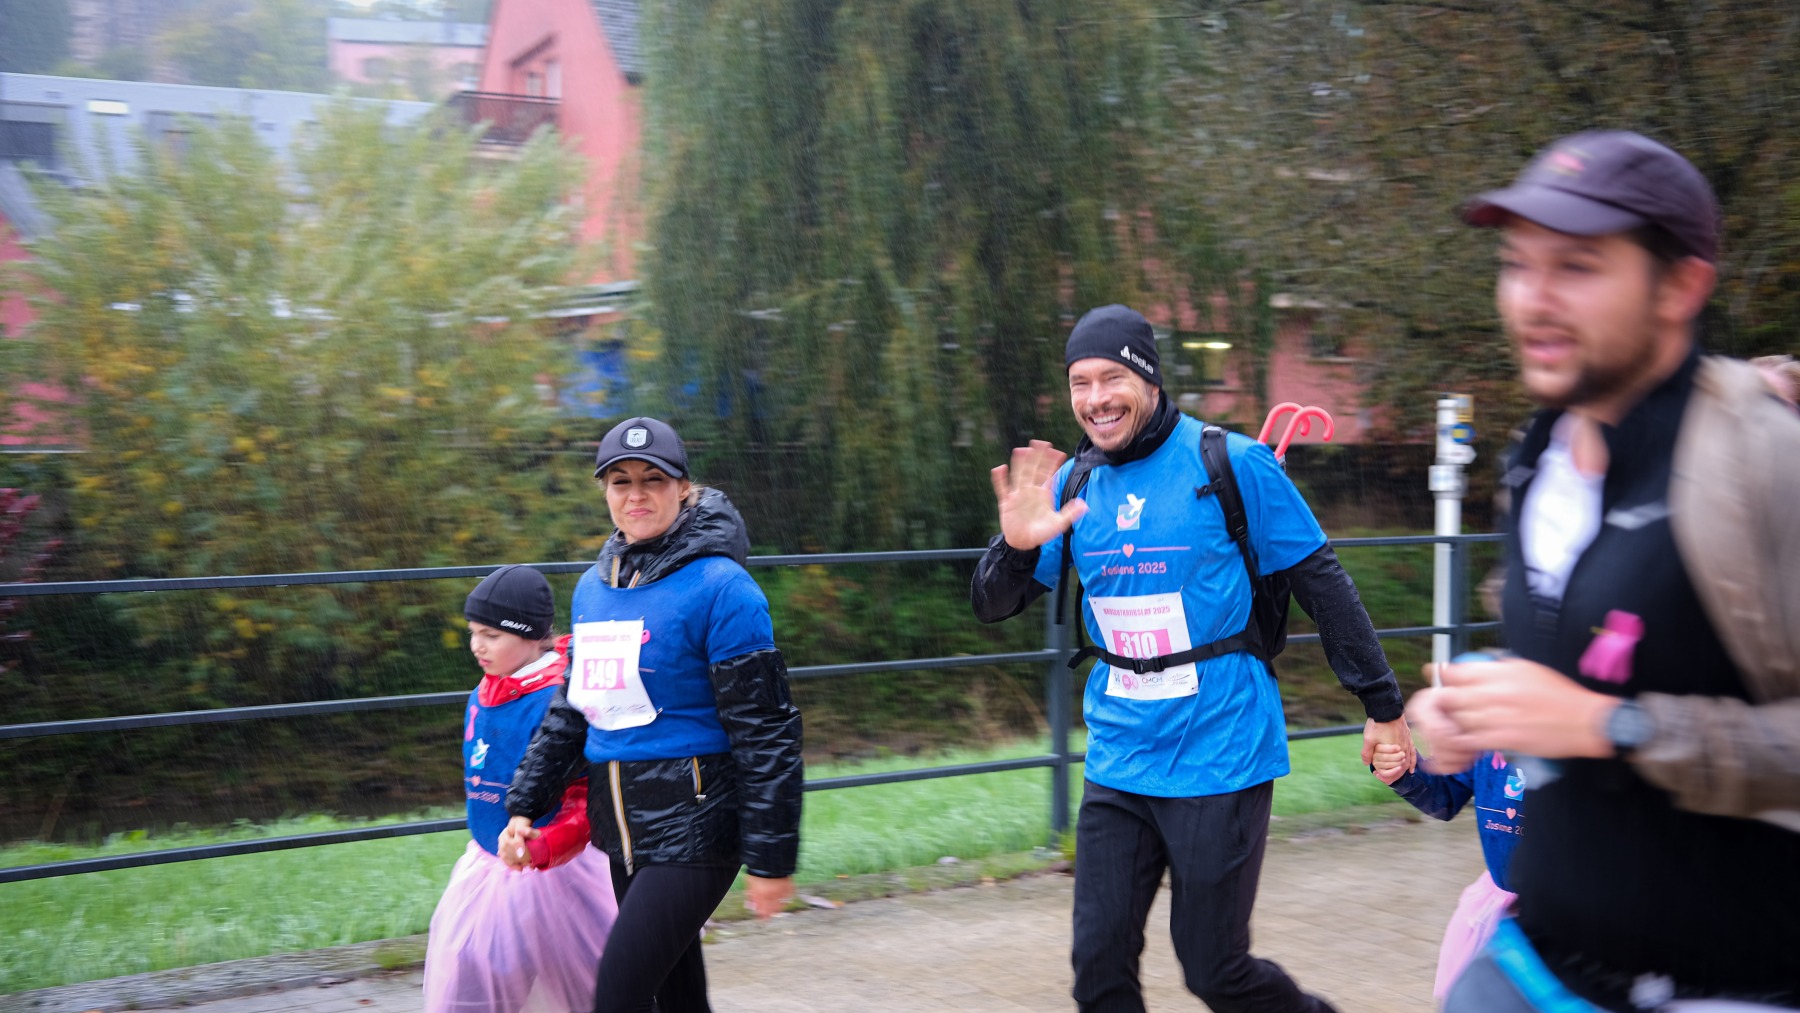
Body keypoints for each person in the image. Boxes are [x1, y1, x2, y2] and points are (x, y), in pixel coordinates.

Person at [1407, 130, 1800, 1011]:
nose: (1533, 299)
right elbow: (1584, 667)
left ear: (1681, 286)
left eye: (1578, 267)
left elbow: (1601, 712)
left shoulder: (1764, 461)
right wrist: (1480, 707)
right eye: (1517, 264)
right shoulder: (1536, 456)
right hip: (1545, 960)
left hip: (1735, 981)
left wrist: (1612, 726)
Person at [970, 303, 1414, 1013]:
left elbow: (1324, 587)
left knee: (1215, 970)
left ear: (1149, 378)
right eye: (1080, 383)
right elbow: (991, 604)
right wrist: (1017, 547)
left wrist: (1382, 705)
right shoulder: (1073, 486)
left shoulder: (1233, 463)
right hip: (1121, 756)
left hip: (1221, 751)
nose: (1095, 399)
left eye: (1111, 378)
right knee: (1098, 968)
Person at [501, 416, 803, 1013]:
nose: (636, 495)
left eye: (653, 479)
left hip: (699, 826)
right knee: (677, 995)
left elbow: (767, 732)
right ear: (605, 492)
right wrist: (524, 804)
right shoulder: (593, 589)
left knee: (618, 995)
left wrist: (771, 860)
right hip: (623, 829)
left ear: (683, 488)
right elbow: (572, 713)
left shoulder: (723, 587)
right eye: (621, 482)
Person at [423, 564, 617, 1013]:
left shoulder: (558, 701)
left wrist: (547, 843)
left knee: (592, 985)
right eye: (473, 632)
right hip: (488, 866)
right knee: (468, 977)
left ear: (532, 637)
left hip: (558, 870)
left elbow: (585, 797)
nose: (477, 645)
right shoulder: (483, 693)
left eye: (491, 635)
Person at [1368, 653, 1524, 1002]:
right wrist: (1401, 769)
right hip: (1497, 909)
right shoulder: (1487, 729)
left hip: (1564, 914)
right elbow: (1445, 795)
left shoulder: (1576, 738)